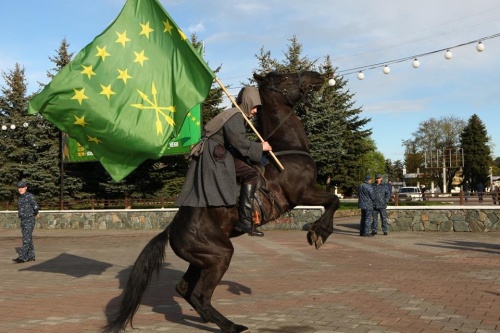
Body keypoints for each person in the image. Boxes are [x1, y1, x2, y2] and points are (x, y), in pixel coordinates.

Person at [175, 86, 272, 237]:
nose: (255, 111)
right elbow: (240, 143)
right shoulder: (235, 116)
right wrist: (261, 147)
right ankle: (245, 220)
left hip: (220, 151)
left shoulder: (236, 115)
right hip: (216, 155)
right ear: (247, 102)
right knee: (251, 175)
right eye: (254, 107)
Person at [12, 181, 40, 263]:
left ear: (26, 187)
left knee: (26, 239)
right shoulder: (20, 197)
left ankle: (22, 257)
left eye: (22, 187)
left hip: (29, 219)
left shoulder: (29, 196)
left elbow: (35, 206)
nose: (20, 189)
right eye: (19, 188)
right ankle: (31, 256)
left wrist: (35, 213)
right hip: (23, 219)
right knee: (28, 238)